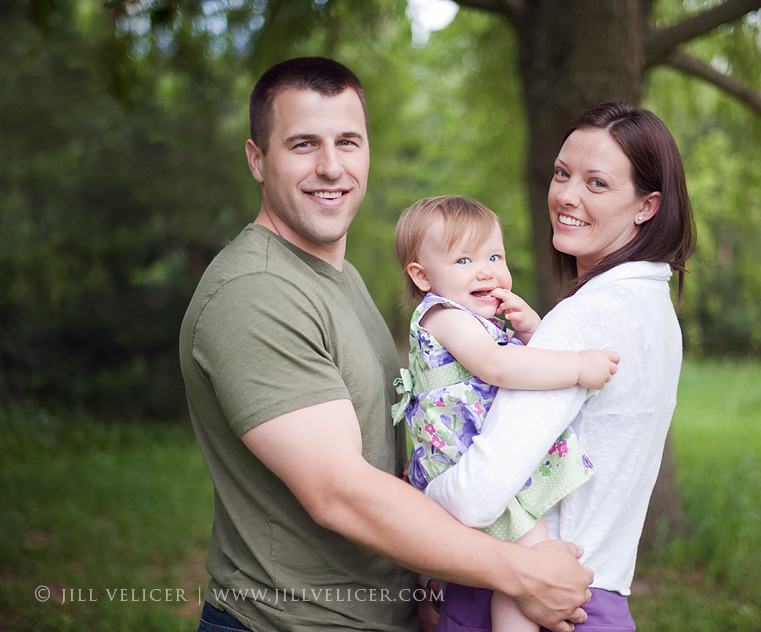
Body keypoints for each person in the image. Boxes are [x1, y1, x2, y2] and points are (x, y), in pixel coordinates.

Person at [179, 57, 593, 632]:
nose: (330, 166)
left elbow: (393, 449)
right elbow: (340, 491)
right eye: (303, 144)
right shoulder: (255, 294)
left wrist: (421, 587)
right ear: (257, 159)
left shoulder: (338, 279)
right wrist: (518, 571)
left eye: (348, 142)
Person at [424, 103, 696, 632]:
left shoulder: (586, 318)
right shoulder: (656, 312)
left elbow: (481, 492)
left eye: (597, 183)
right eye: (562, 173)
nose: (567, 196)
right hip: (602, 600)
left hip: (532, 602)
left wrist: (414, 499)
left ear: (647, 206)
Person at [391, 195, 619, 632]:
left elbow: (511, 360)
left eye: (495, 255)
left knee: (526, 561)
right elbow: (498, 367)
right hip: (463, 460)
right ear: (422, 276)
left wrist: (531, 330)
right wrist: (576, 366)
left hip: (473, 453)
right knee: (528, 563)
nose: (486, 270)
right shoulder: (443, 316)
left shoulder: (475, 320)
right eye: (463, 259)